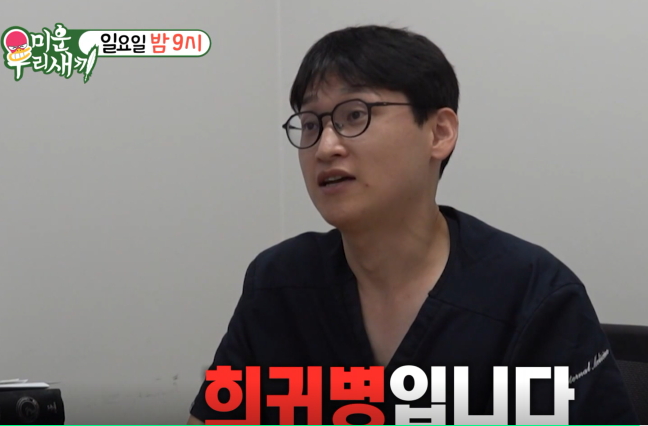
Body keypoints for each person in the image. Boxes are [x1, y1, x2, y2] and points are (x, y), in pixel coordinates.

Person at [188, 25, 639, 425]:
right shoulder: (278, 283)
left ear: (439, 133)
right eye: (310, 124)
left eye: (354, 115)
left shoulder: (534, 294)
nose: (325, 147)